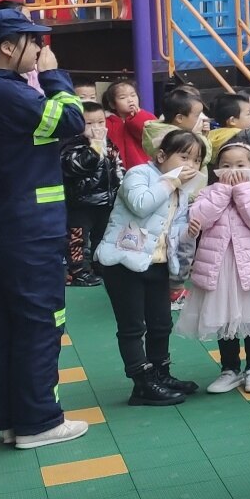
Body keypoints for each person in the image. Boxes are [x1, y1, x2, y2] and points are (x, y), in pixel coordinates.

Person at [0, 6, 87, 448]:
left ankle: (13, 419)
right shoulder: (6, 92)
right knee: (40, 322)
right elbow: (71, 121)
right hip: (28, 230)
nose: (40, 47)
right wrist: (55, 76)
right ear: (7, 47)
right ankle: (40, 421)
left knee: (1, 324)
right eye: (32, 40)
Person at [97, 128, 205, 406]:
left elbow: (172, 231)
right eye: (185, 157)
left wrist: (189, 232)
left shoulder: (180, 190)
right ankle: (142, 384)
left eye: (197, 161)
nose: (191, 165)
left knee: (161, 324)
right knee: (133, 326)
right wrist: (171, 181)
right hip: (123, 263)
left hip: (156, 264)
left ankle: (160, 373)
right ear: (161, 156)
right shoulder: (139, 174)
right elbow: (141, 205)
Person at [179, 137, 250, 394]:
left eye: (240, 165)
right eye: (226, 165)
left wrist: (243, 191)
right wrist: (223, 192)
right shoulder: (208, 193)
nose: (233, 171)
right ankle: (230, 369)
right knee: (223, 319)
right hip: (219, 269)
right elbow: (200, 218)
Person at [63, 99, 121, 286]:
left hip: (105, 201)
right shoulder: (72, 145)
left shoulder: (109, 144)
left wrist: (120, 188)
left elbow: (118, 168)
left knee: (103, 236)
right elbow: (76, 166)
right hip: (80, 202)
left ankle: (100, 265)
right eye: (89, 123)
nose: (96, 127)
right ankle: (78, 271)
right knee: (77, 238)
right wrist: (95, 147)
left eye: (101, 122)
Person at [105, 77, 152, 169]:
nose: (130, 100)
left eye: (133, 95)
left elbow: (150, 135)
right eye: (123, 97)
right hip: (118, 170)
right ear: (112, 105)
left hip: (144, 169)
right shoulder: (108, 122)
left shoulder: (147, 116)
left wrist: (138, 116)